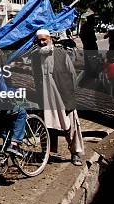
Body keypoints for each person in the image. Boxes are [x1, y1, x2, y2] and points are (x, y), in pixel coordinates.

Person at [31, 29, 84, 166]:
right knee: (46, 126)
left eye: (44, 39)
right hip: (45, 97)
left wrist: (70, 94)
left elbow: (72, 75)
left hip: (62, 96)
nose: (42, 43)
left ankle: (75, 153)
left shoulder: (61, 54)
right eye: (39, 41)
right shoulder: (35, 57)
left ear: (50, 39)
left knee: (70, 126)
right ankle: (47, 153)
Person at [79, 15, 99, 79]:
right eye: (93, 19)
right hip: (91, 46)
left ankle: (88, 73)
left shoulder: (84, 26)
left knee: (88, 60)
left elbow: (81, 35)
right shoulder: (89, 27)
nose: (94, 21)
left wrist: (84, 42)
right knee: (93, 60)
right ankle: (93, 74)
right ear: (91, 20)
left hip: (86, 46)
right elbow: (94, 38)